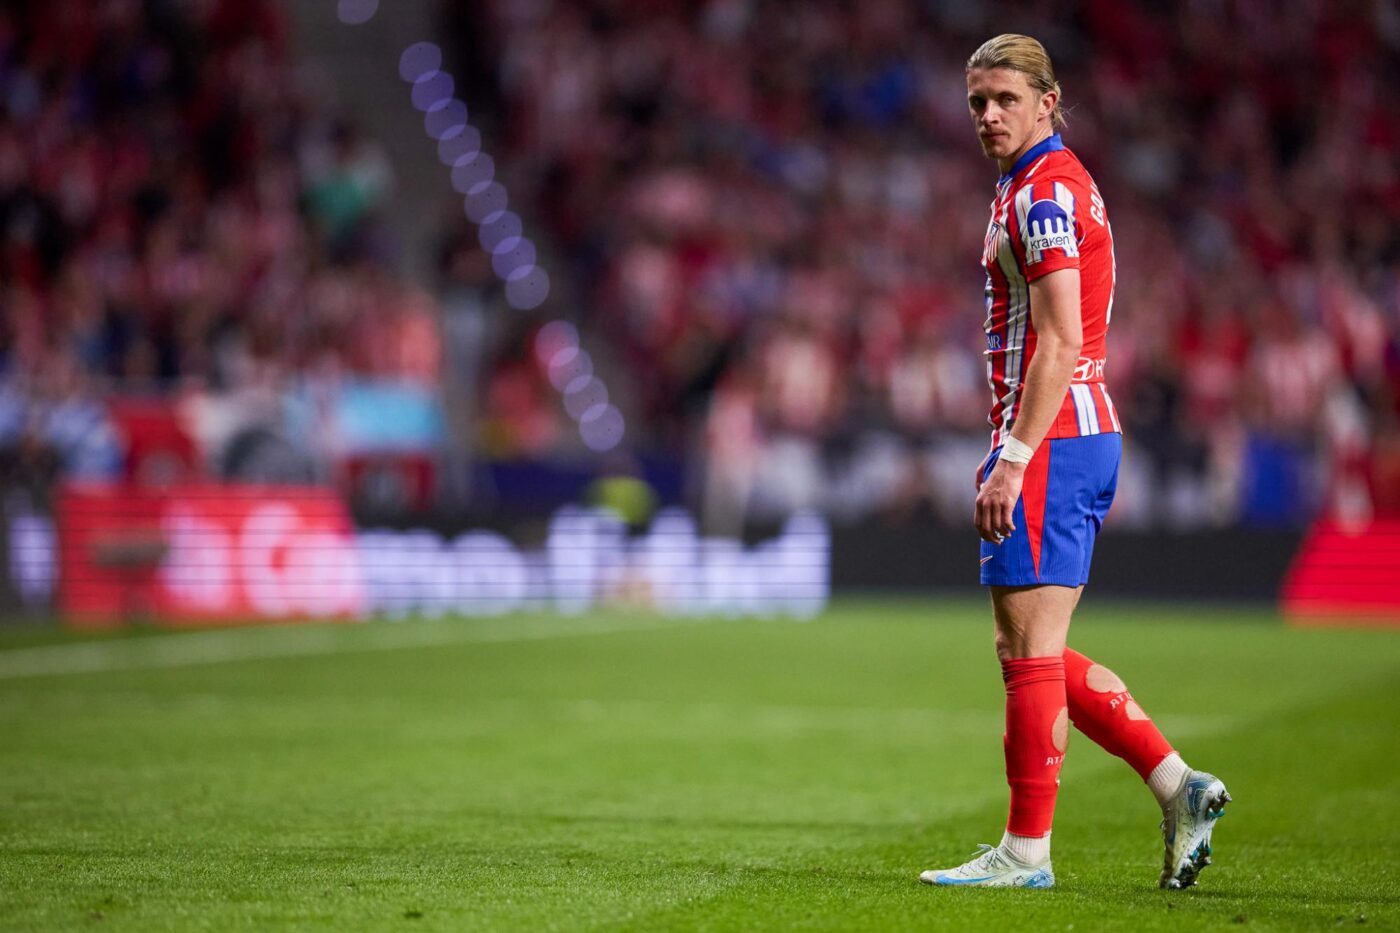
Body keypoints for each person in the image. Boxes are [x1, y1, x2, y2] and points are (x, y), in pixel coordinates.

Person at [919, 35, 1230, 890]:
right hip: (1064, 435)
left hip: (1053, 438)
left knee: (1028, 650)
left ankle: (1026, 852)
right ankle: (1179, 785)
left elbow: (1059, 340)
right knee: (1031, 646)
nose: (987, 114)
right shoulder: (1035, 184)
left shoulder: (1046, 193)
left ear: (1048, 101)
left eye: (1005, 98)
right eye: (977, 100)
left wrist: (1013, 458)